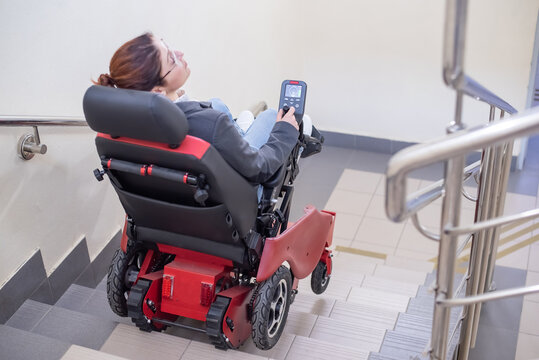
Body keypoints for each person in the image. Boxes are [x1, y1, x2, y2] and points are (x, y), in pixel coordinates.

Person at [95, 32, 299, 185]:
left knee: (217, 103)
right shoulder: (210, 124)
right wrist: (284, 132)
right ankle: (297, 128)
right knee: (273, 116)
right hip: (233, 199)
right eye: (171, 59)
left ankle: (243, 128)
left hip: (171, 203)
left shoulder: (120, 128)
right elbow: (258, 169)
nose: (180, 53)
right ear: (158, 91)